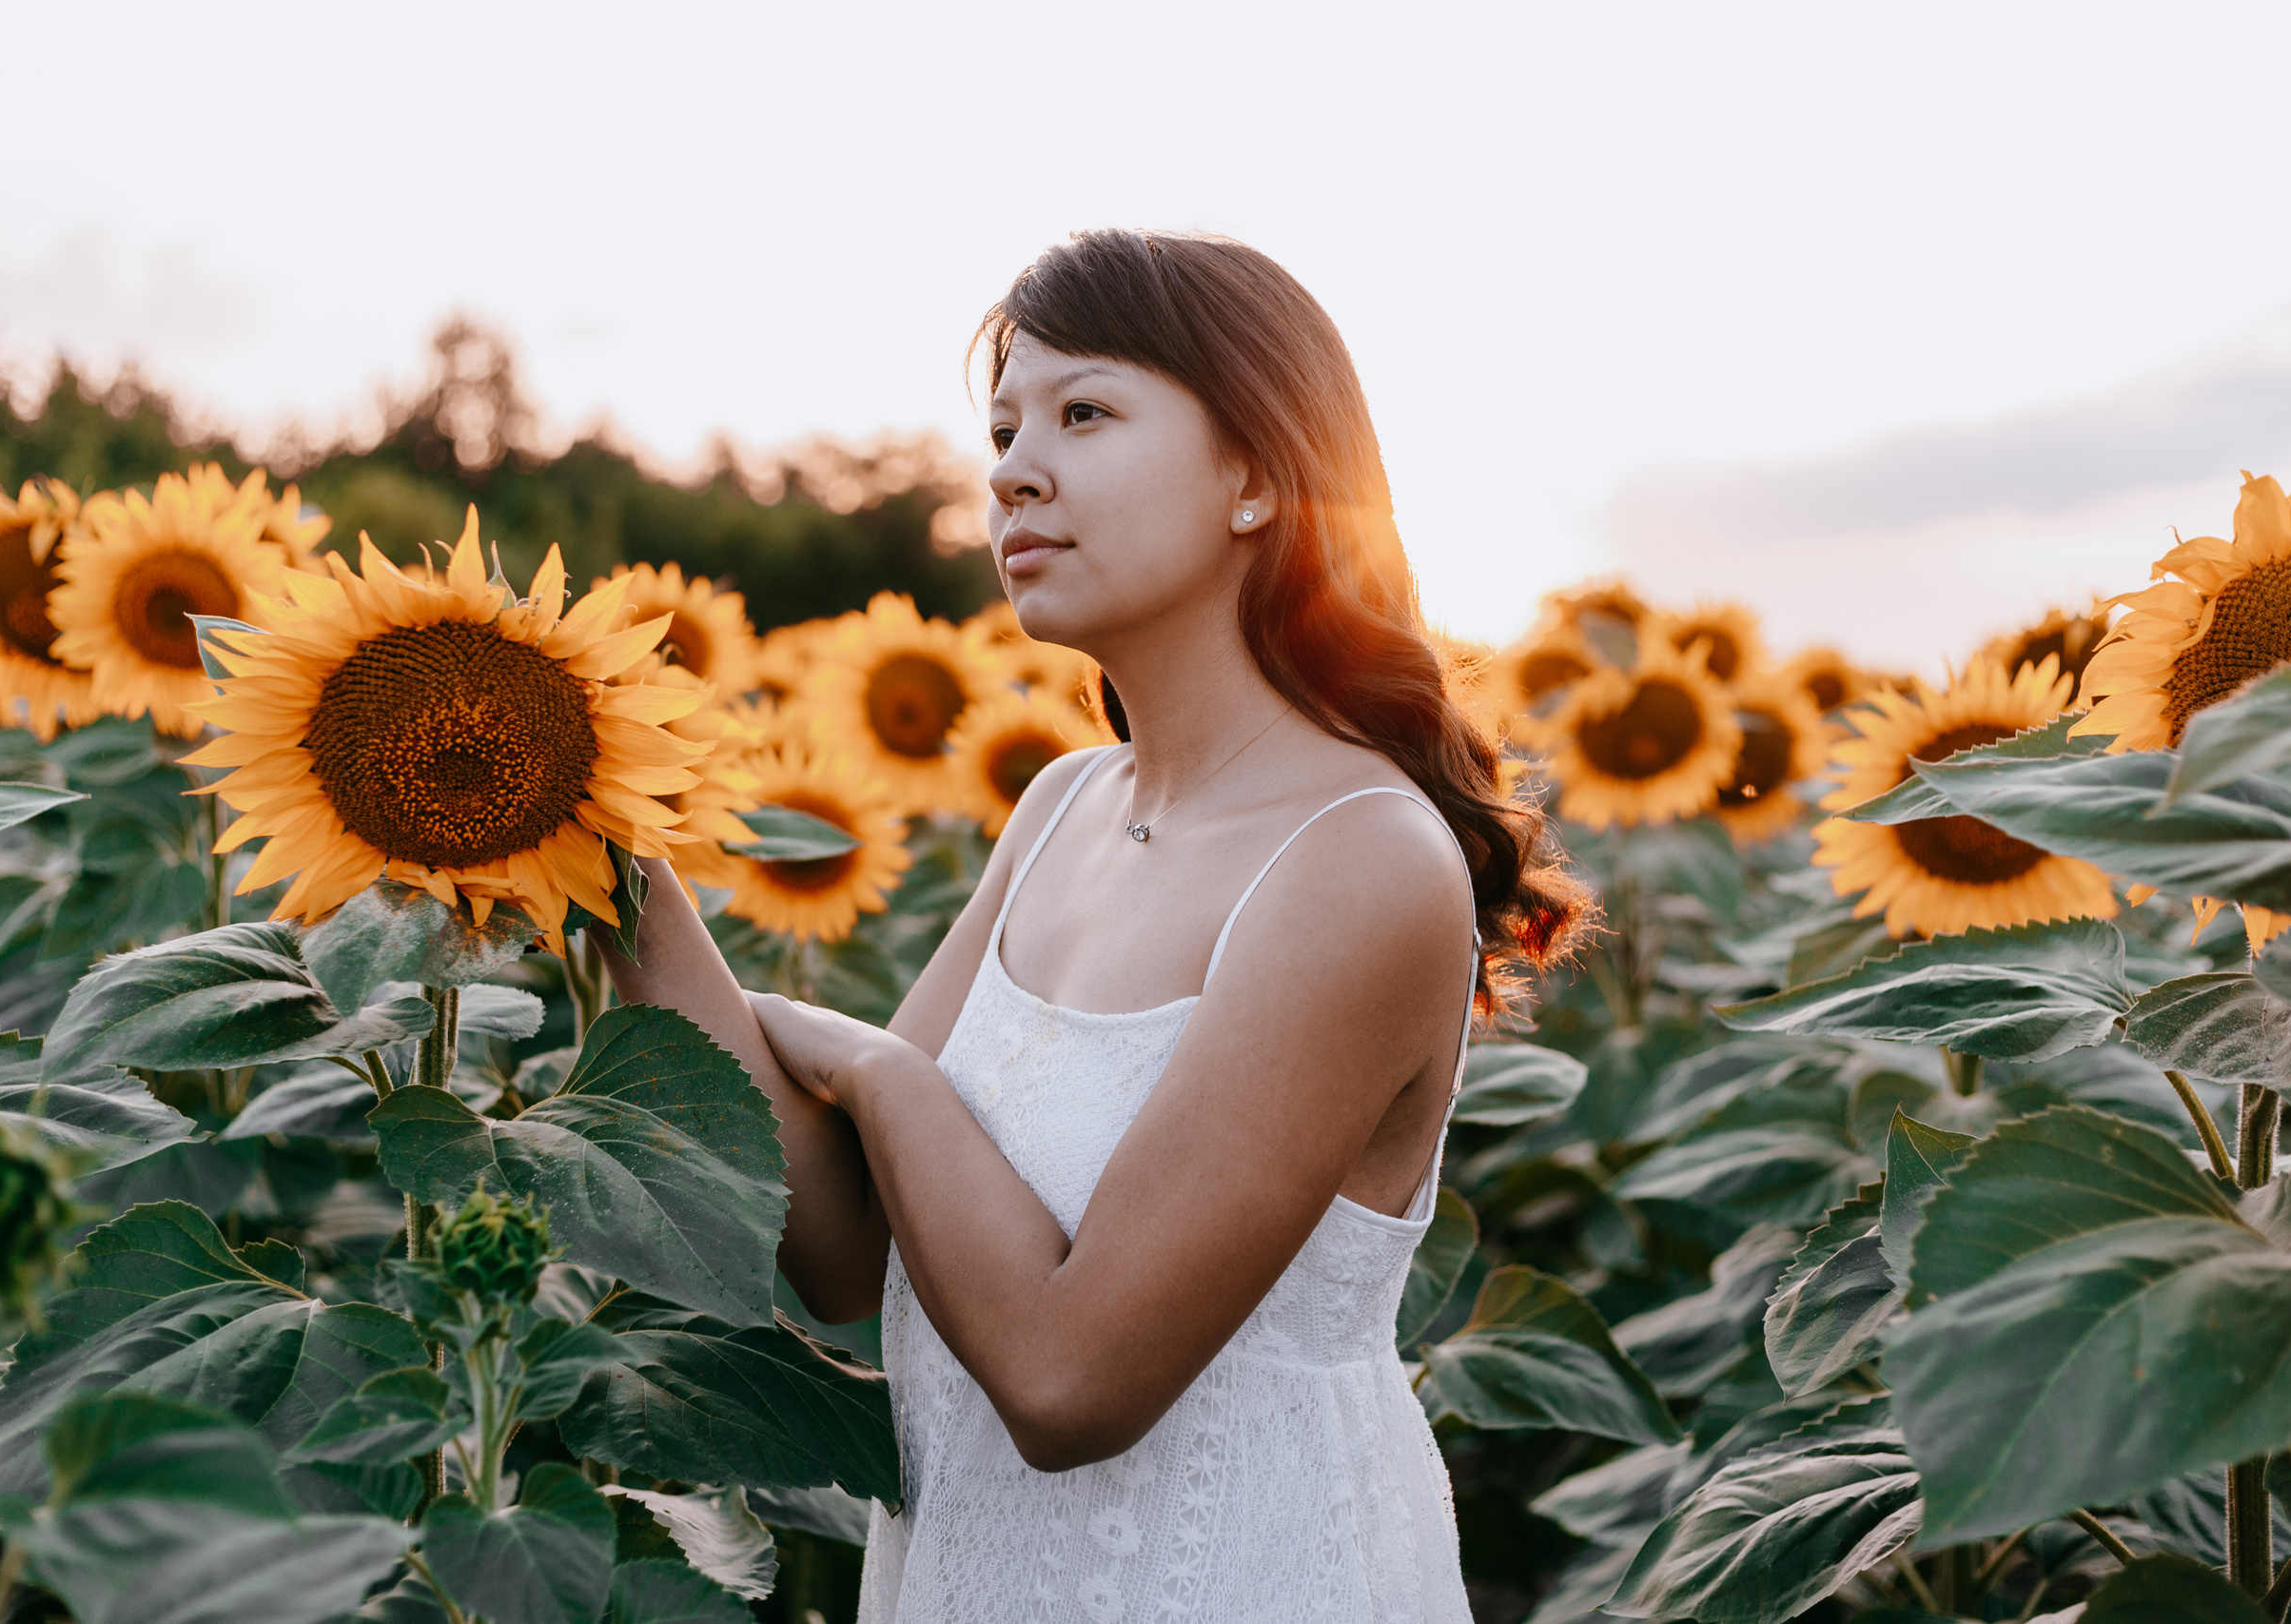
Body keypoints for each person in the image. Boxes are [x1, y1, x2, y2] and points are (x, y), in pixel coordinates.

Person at [604, 229, 1592, 1623]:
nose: (1010, 467)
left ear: (1255, 474)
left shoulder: (1359, 860)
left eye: (1084, 413)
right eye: (1002, 427)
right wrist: (599, 846)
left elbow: (1073, 1381)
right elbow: (835, 1245)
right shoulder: (1067, 805)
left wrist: (880, 1071)